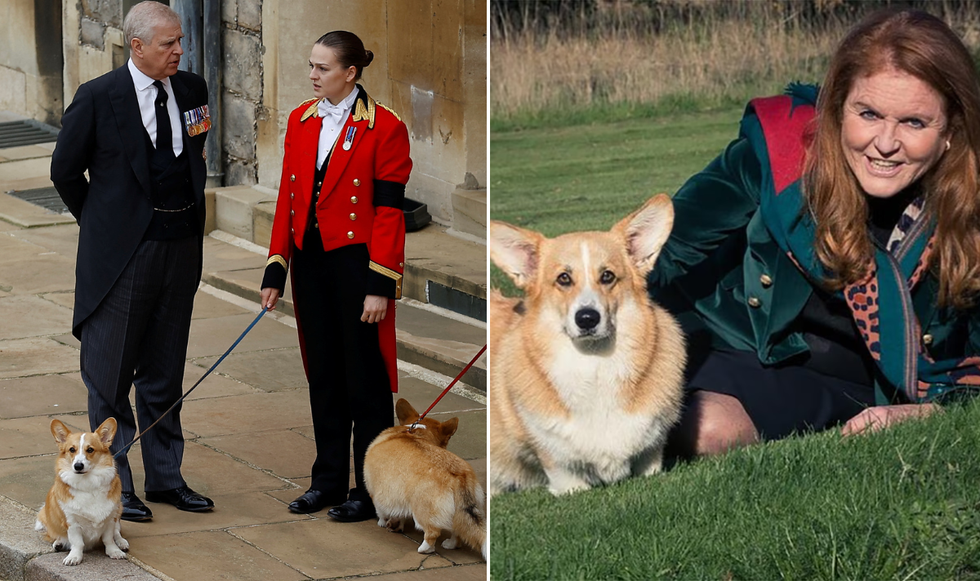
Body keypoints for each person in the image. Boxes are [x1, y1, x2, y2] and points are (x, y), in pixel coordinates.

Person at [649, 8, 980, 459]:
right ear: (838, 108)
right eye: (868, 113)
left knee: (706, 429)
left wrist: (931, 412)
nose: (884, 143)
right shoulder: (778, 153)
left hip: (862, 383)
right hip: (739, 345)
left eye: (914, 123)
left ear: (950, 132)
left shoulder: (969, 210)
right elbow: (661, 254)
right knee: (690, 423)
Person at [51, 1, 214, 521]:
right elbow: (64, 171)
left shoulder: (191, 90)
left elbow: (195, 151)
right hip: (123, 258)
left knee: (164, 372)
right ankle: (117, 482)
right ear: (136, 46)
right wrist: (105, 228)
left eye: (181, 41)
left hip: (181, 249)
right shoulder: (98, 97)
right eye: (169, 44)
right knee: (111, 374)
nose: (179, 51)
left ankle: (166, 478)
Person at [260, 31, 412, 522]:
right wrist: (275, 268)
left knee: (364, 384)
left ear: (350, 73)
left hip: (358, 266)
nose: (312, 75)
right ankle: (326, 482)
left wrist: (380, 285)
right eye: (310, 65)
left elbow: (390, 213)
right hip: (311, 264)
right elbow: (287, 197)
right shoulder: (302, 121)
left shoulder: (385, 126)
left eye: (322, 68)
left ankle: (370, 492)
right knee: (322, 375)